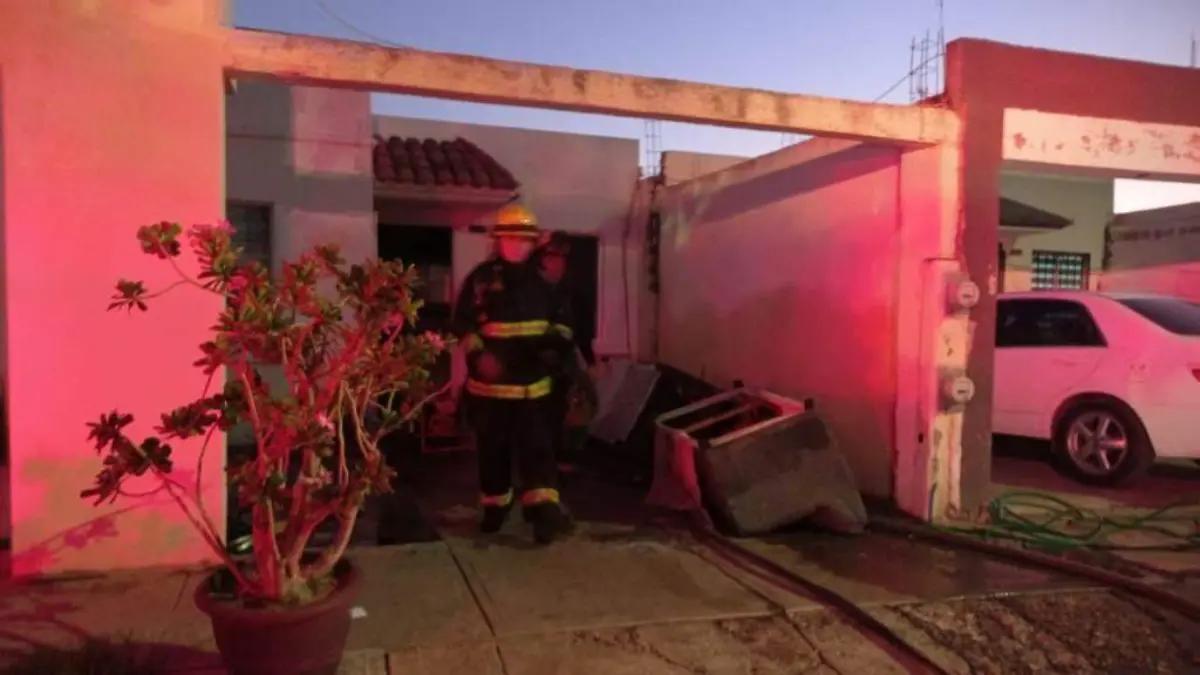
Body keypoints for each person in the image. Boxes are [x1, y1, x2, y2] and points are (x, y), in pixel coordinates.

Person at [452, 203, 574, 544]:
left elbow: (565, 324)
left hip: (534, 390)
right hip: (490, 392)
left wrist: (554, 347)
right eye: (509, 238)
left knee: (539, 452)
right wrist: (478, 352)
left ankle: (543, 515)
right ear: (497, 240)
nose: (515, 245)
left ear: (533, 242)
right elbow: (461, 322)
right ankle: (496, 507)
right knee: (493, 453)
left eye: (523, 239)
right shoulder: (481, 280)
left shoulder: (547, 283)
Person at [534, 232, 598, 467]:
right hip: (535, 364)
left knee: (580, 405)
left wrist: (590, 362)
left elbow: (581, 328)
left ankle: (565, 459)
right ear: (540, 259)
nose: (558, 262)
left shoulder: (571, 293)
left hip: (564, 364)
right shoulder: (529, 292)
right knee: (539, 415)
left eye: (562, 256)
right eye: (552, 255)